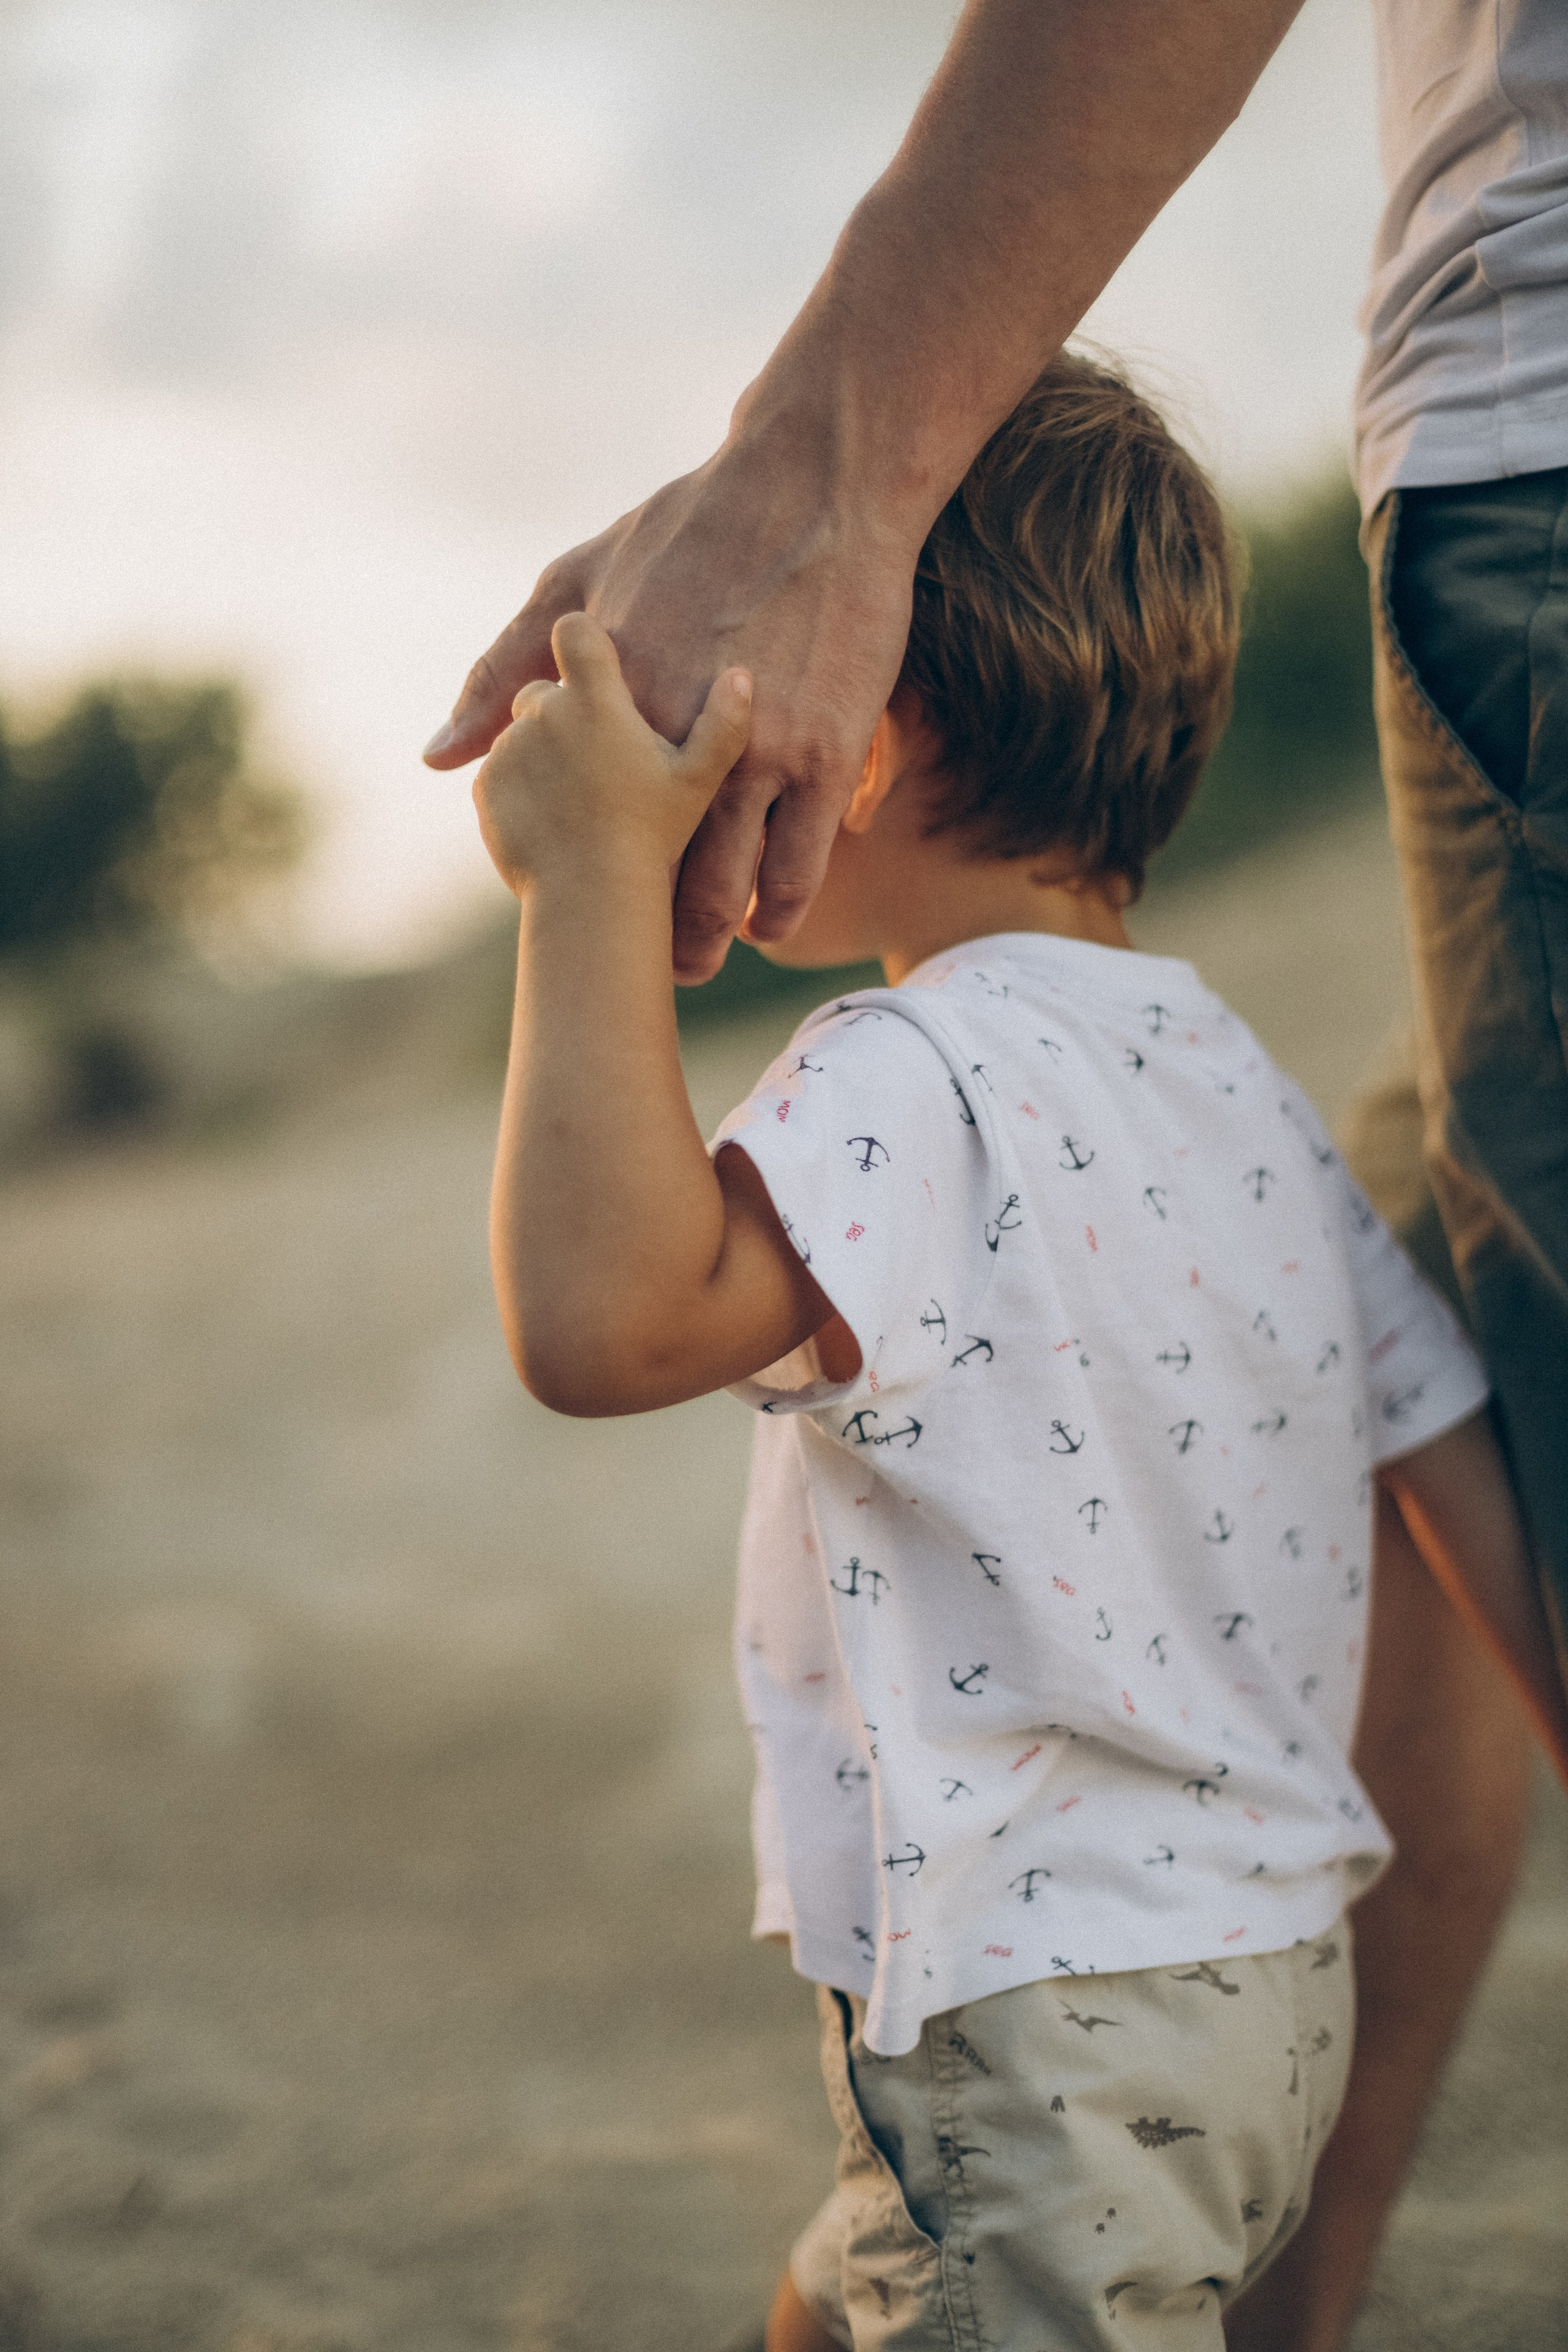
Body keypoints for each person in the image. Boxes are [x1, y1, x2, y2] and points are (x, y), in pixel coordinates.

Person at [427, 10, 1568, 2336]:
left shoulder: (912, 1082)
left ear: (876, 734)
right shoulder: (1246, 1091)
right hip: (1273, 2010)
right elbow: (1456, 1467)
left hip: (1041, 2034)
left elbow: (601, 1320)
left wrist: (577, 899)